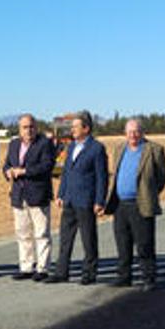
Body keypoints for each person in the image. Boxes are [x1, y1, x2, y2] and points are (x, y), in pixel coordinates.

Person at [104, 119, 165, 292]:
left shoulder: (154, 150)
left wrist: (149, 193)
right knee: (122, 242)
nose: (133, 135)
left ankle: (149, 277)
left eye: (136, 131)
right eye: (129, 131)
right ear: (125, 133)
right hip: (120, 205)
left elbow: (162, 178)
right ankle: (124, 276)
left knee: (144, 243)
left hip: (141, 204)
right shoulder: (119, 149)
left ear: (142, 132)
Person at [47, 112, 108, 285]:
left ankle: (89, 273)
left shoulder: (97, 148)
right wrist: (60, 194)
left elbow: (102, 177)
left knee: (88, 239)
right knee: (65, 238)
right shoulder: (72, 146)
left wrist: (99, 201)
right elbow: (66, 172)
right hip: (70, 200)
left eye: (75, 126)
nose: (72, 129)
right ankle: (61, 272)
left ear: (86, 128)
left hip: (86, 200)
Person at [3, 114, 56, 281]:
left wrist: (24, 171)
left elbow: (47, 165)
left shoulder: (44, 144)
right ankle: (26, 267)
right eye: (25, 127)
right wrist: (8, 171)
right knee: (23, 233)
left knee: (41, 233)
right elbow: (7, 164)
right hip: (19, 195)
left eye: (31, 126)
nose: (28, 130)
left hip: (38, 195)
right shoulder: (14, 144)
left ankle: (42, 268)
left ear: (36, 127)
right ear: (19, 129)